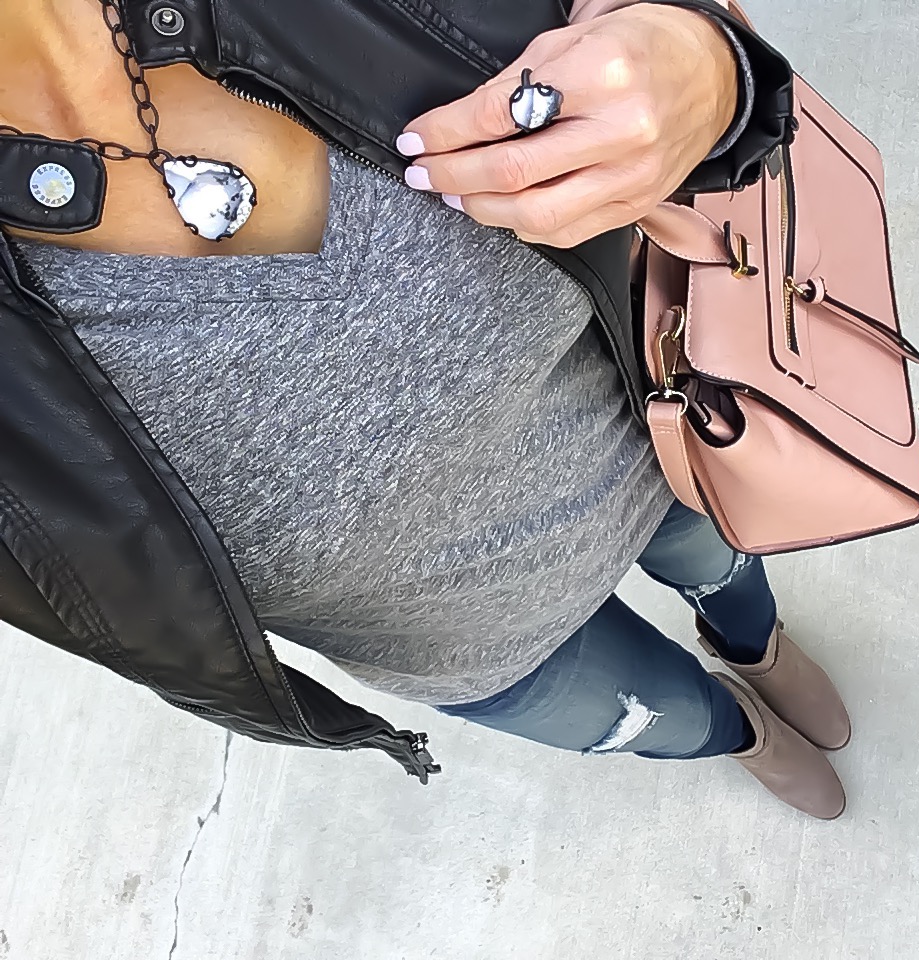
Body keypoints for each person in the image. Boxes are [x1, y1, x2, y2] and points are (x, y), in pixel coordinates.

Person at [0, 0, 848, 819]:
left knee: (729, 572)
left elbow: (637, 30)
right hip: (469, 646)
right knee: (665, 717)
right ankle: (739, 731)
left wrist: (695, 60)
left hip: (649, 447)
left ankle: (756, 646)